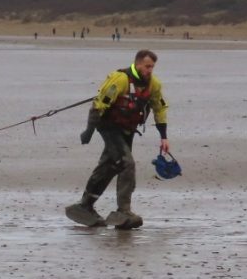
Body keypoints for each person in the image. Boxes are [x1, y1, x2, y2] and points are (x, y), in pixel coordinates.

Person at [66, 49, 170, 229]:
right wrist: (89, 131)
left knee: (109, 165)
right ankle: (124, 210)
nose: (149, 70)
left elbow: (159, 108)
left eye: (152, 67)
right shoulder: (120, 79)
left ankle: (85, 206)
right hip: (108, 127)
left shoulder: (154, 84)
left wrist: (164, 137)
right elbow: (99, 104)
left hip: (127, 130)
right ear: (137, 64)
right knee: (126, 163)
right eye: (147, 66)